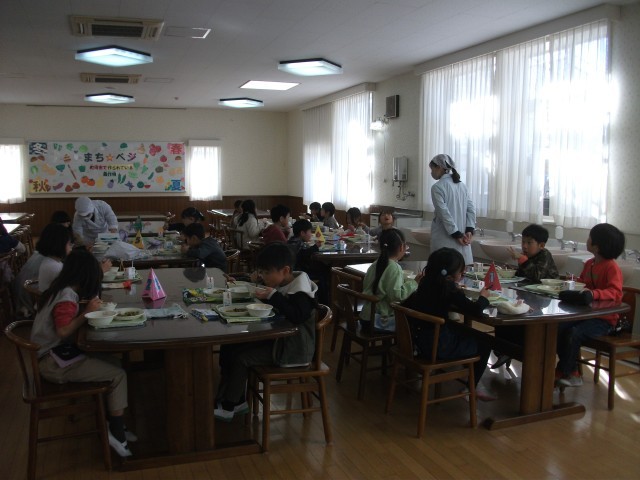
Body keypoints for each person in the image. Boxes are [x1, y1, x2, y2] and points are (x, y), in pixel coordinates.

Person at [31, 248, 135, 457]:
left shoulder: (61, 288)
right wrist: (86, 313)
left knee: (115, 364)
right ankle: (116, 433)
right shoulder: (67, 296)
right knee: (118, 375)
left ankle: (112, 421)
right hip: (52, 362)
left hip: (53, 355)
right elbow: (63, 331)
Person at [215, 243, 319, 421]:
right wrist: (247, 281)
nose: (262, 276)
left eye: (266, 272)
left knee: (242, 358)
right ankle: (233, 397)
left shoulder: (301, 291)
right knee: (231, 346)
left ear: (285, 270)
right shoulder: (284, 281)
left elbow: (297, 316)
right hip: (279, 339)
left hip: (293, 349)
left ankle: (230, 405)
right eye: (261, 272)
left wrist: (273, 296)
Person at [402, 247, 494, 399]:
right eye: (461, 272)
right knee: (485, 343)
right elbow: (476, 310)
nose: (462, 274)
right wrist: (483, 297)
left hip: (419, 341)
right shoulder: (448, 287)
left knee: (463, 330)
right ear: (449, 274)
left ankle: (468, 379)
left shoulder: (426, 282)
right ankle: (471, 388)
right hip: (438, 346)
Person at [555, 223, 625, 388]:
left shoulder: (611, 267)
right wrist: (573, 282)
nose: (587, 240)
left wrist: (594, 294)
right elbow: (584, 282)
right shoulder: (590, 264)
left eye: (590, 238)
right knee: (558, 327)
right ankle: (571, 370)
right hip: (586, 315)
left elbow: (615, 292)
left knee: (574, 333)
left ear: (597, 246)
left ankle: (567, 372)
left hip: (604, 320)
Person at [360, 229, 421, 332]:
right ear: (401, 247)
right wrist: (414, 283)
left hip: (366, 317)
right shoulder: (394, 267)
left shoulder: (376, 263)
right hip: (379, 321)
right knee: (412, 323)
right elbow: (397, 297)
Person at [428, 154, 476, 265]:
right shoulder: (462, 186)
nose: (431, 173)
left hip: (445, 239)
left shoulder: (437, 187)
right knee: (461, 271)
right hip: (463, 239)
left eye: (432, 169)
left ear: (439, 167)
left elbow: (444, 214)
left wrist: (456, 234)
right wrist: (469, 230)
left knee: (443, 270)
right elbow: (471, 209)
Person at [37, 223, 74, 292]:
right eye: (69, 244)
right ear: (60, 245)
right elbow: (71, 289)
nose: (71, 248)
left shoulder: (51, 261)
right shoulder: (54, 267)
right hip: (54, 298)